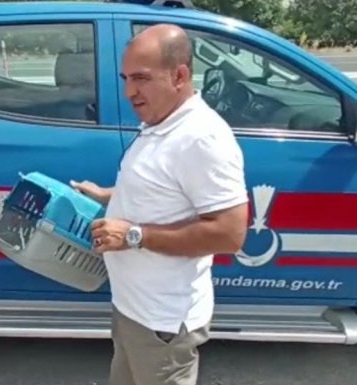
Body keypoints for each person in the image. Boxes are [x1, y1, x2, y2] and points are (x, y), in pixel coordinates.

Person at [71, 24, 249, 385]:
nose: (129, 92)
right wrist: (108, 196)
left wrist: (133, 235)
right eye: (125, 78)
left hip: (163, 324)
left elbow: (229, 234)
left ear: (179, 75)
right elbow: (163, 191)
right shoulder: (160, 121)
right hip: (134, 311)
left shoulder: (202, 138)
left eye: (141, 78)